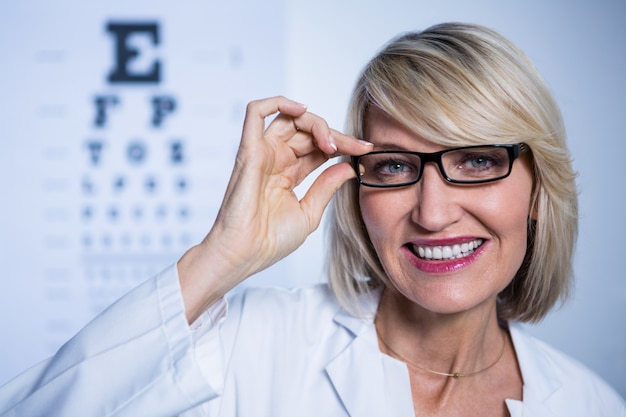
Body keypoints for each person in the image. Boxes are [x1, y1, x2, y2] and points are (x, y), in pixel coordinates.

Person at [0, 22, 624, 417]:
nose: (433, 213)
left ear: (539, 189)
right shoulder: (250, 346)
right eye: (393, 167)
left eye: (478, 161)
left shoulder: (591, 404)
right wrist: (223, 255)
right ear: (356, 190)